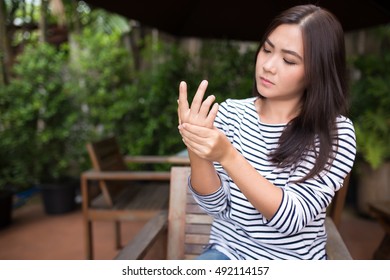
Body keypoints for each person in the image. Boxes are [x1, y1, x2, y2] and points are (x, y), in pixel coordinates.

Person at [177, 4, 356, 260]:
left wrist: (228, 155)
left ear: (318, 70)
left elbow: (291, 219)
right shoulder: (231, 114)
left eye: (289, 60)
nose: (268, 66)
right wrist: (197, 146)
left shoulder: (335, 134)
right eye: (267, 49)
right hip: (227, 254)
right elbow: (216, 208)